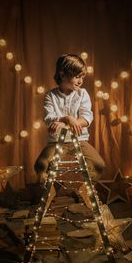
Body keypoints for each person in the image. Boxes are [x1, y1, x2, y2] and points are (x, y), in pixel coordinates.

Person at [34, 54, 105, 209]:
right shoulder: (50, 96)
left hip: (78, 141)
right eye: (77, 76)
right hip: (56, 141)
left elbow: (87, 118)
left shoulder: (82, 94)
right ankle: (49, 190)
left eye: (82, 77)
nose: (80, 81)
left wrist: (70, 122)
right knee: (41, 165)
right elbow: (49, 119)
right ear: (62, 74)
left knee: (99, 164)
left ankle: (84, 189)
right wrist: (68, 118)